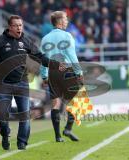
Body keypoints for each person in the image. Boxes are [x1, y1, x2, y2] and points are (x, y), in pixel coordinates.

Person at [0, 15, 61, 150]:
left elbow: (39, 57)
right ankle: (5, 134)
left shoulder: (26, 41)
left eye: (21, 25)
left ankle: (22, 143)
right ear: (10, 27)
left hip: (21, 83)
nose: (19, 28)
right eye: (16, 25)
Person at [40, 11, 83, 142]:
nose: (67, 21)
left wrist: (44, 75)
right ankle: (68, 129)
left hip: (53, 73)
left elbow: (43, 59)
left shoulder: (45, 38)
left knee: (55, 103)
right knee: (76, 102)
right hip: (66, 71)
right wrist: (79, 73)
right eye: (65, 19)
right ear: (59, 21)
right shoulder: (67, 36)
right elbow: (72, 55)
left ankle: (58, 136)